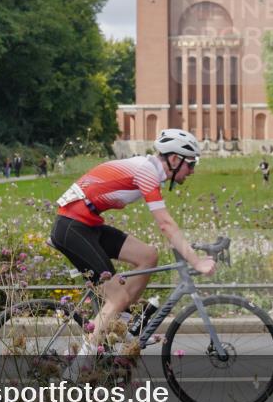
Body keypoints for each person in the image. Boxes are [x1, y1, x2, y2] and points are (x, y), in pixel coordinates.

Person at [49, 128, 215, 346]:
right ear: (174, 159)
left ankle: (123, 324)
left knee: (148, 255)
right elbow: (165, 224)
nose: (192, 170)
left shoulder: (148, 170)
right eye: (191, 164)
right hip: (72, 228)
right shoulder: (147, 171)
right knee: (118, 297)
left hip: (87, 225)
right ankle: (79, 368)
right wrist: (197, 262)